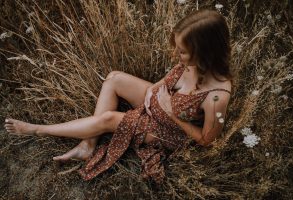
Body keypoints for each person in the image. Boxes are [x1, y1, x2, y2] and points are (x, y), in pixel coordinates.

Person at [4, 9, 233, 183]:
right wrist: (153, 89)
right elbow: (165, 82)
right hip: (161, 105)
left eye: (182, 51)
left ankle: (37, 129)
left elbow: (206, 140)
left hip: (171, 130)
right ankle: (88, 144)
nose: (176, 54)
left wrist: (173, 114)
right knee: (114, 78)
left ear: (205, 51)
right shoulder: (194, 63)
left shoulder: (217, 96)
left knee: (109, 119)